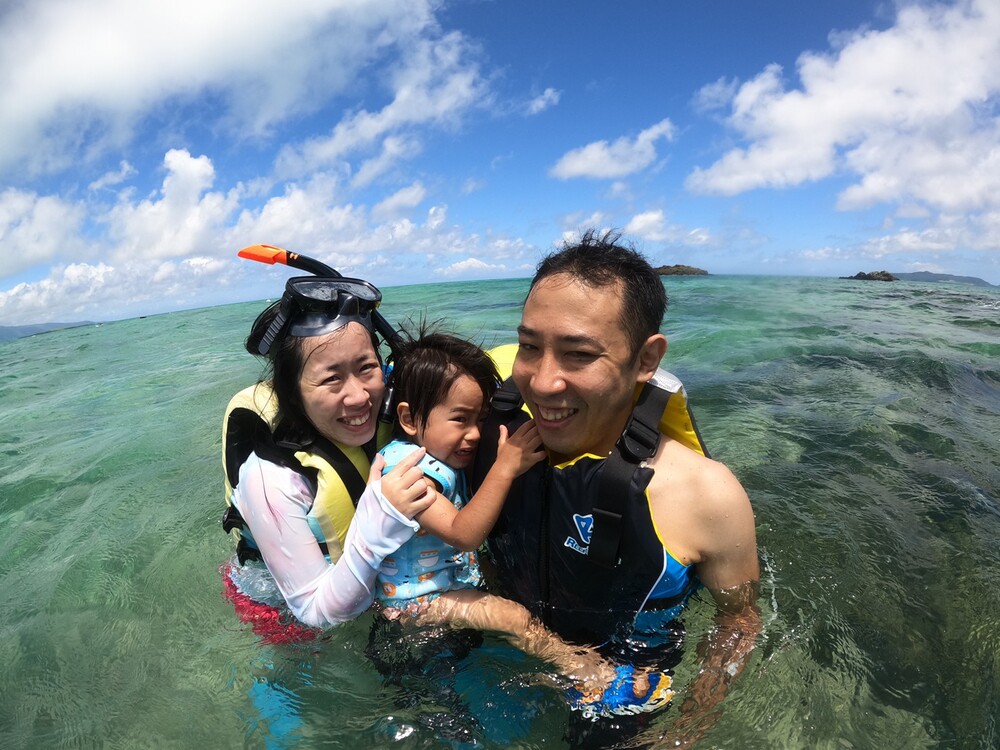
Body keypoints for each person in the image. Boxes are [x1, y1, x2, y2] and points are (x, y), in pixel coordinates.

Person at [476, 230, 761, 745]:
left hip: (618, 683)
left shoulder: (706, 495)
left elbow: (737, 624)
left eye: (578, 354)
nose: (542, 382)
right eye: (529, 347)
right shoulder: (493, 440)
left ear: (647, 360)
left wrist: (686, 729)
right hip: (497, 643)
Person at [371, 329, 674, 709]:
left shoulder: (436, 458)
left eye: (481, 419)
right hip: (412, 605)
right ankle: (586, 673)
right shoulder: (408, 473)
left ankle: (555, 673)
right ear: (408, 419)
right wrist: (505, 467)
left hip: (438, 586)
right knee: (512, 616)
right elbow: (462, 534)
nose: (474, 435)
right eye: (460, 419)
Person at [221, 270, 436, 637]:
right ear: (292, 391)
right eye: (331, 378)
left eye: (366, 368)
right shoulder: (270, 478)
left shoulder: (388, 411)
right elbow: (314, 613)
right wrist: (378, 523)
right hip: (284, 617)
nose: (359, 396)